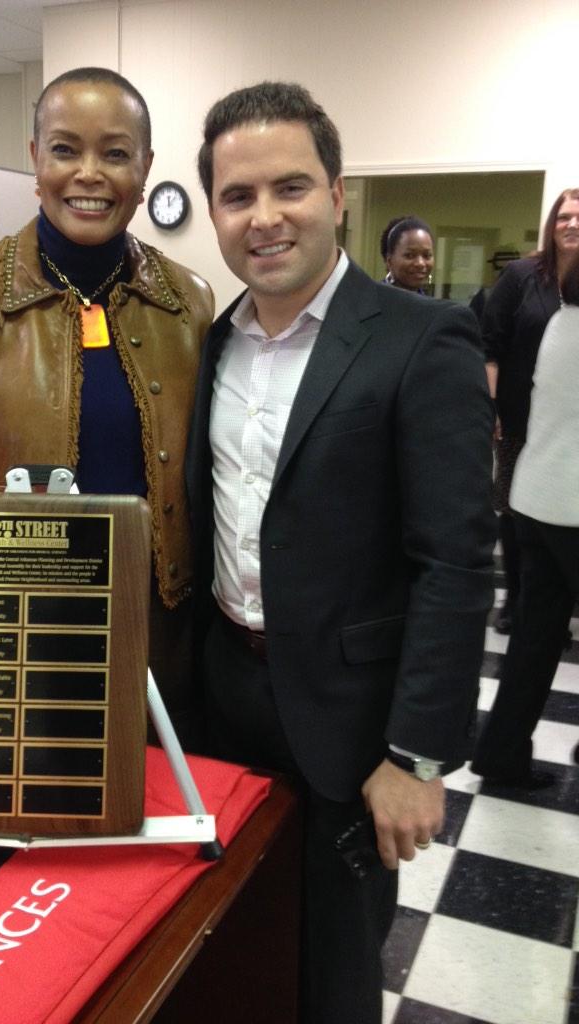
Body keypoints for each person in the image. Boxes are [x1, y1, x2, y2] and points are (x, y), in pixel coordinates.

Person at [187, 81, 495, 1024]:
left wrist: (417, 756)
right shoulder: (214, 343)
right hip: (223, 699)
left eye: (290, 188)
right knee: (231, 951)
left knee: (333, 971)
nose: (265, 217)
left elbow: (456, 563)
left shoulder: (421, 338)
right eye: (237, 196)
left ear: (336, 194)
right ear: (214, 211)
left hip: (353, 729)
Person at [0, 67, 214, 740]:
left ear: (145, 167)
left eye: (116, 153)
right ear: (36, 158)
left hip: (161, 637)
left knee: (156, 794)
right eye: (66, 149)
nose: (89, 174)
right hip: (20, 635)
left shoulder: (188, 301)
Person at [472, 248, 579, 787]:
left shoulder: (561, 322)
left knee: (534, 640)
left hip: (537, 499)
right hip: (573, 508)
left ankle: (501, 755)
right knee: (535, 637)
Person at [482, 188, 579, 633]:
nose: (572, 225)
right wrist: (491, 408)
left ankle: (554, 603)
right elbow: (490, 346)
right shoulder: (522, 275)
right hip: (518, 419)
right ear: (551, 224)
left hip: (568, 425)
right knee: (515, 511)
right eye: (564, 217)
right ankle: (518, 598)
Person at [379, 214, 435, 293]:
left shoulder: (428, 300)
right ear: (389, 261)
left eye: (426, 256)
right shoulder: (370, 297)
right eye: (410, 255)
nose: (420, 263)